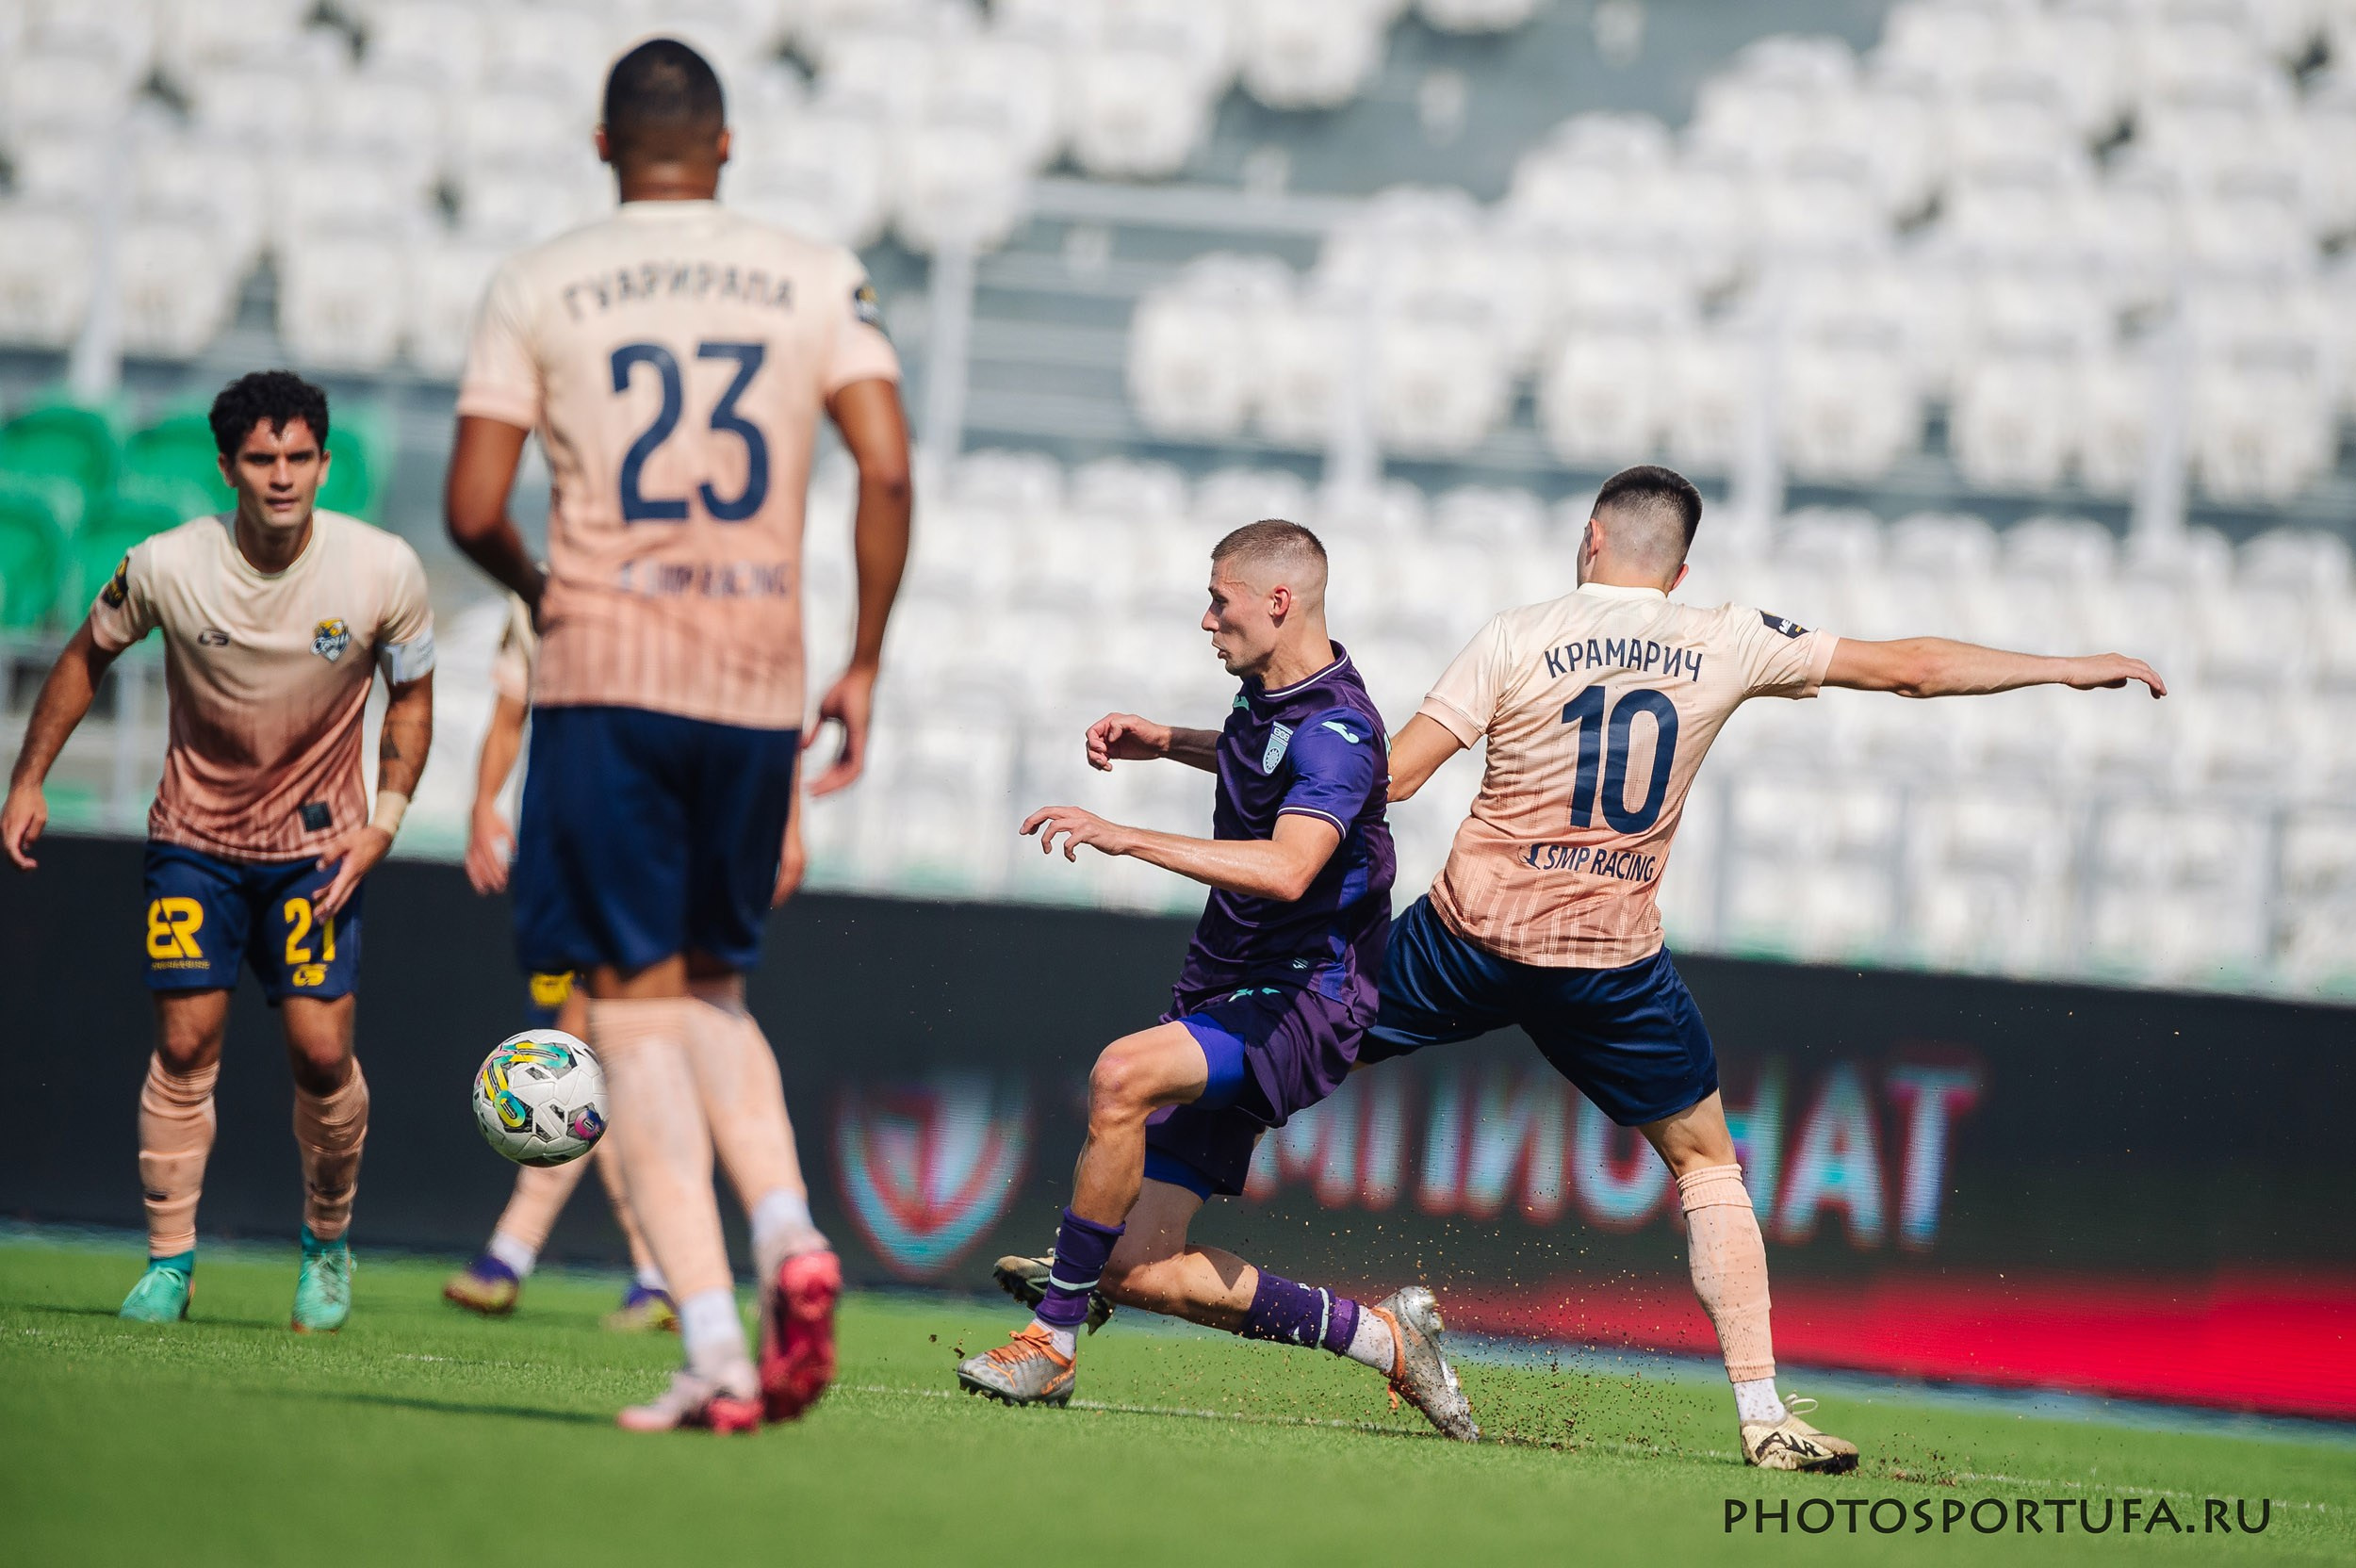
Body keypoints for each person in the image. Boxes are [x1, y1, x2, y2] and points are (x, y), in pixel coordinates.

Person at [1364, 464, 2167, 1472]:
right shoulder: (1725, 634)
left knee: (1291, 1044)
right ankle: (1762, 1414)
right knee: (1707, 1165)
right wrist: (2062, 664)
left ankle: (1131, 1239)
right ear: (1681, 566)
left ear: (1589, 538)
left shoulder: (1514, 632)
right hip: (1607, 964)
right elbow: (1910, 668)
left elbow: (1390, 776)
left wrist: (1203, 750)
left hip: (1466, 937)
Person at [444, 37, 911, 1432]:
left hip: (609, 683)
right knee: (715, 993)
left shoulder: (537, 281)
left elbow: (473, 505)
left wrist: (549, 596)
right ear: (724, 149)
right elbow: (884, 464)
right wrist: (866, 662)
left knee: (633, 1020)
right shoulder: (816, 271)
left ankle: (715, 1338)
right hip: (758, 684)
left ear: (603, 147)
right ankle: (792, 1233)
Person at [953, 521, 1477, 1443]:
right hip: (1232, 984)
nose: (1207, 618)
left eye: (1219, 600)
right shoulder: (1268, 696)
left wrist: (1126, 834)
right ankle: (1386, 1338)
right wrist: (1166, 741)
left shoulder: (1339, 731)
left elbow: (1286, 868)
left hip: (1303, 1000)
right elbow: (1259, 755)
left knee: (1121, 1074)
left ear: (1278, 602)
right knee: (1145, 1267)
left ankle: (1053, 1335)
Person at [0, 370, 435, 1333]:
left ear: (325, 463)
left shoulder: (382, 570)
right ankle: (169, 1262)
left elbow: (412, 693)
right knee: (185, 1043)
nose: (281, 477)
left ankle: (326, 1244)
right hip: (195, 836)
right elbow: (82, 655)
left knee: (323, 1054)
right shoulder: (167, 564)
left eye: (297, 458)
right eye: (260, 459)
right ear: (227, 466)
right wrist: (29, 778)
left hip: (320, 847)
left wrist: (387, 818)